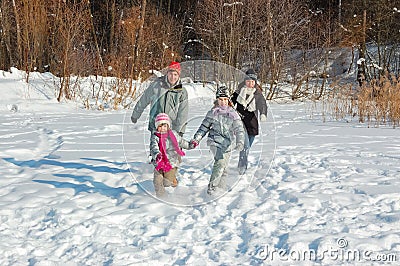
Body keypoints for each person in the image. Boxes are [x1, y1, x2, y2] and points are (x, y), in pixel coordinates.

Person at [190, 86, 245, 195]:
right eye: (220, 99)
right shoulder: (212, 112)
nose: (223, 102)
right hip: (214, 141)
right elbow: (203, 127)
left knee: (224, 168)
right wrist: (197, 139)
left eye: (225, 99)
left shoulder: (233, 114)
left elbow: (239, 129)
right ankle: (212, 189)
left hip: (228, 143)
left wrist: (240, 142)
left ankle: (221, 190)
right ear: (217, 100)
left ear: (228, 100)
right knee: (219, 162)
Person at [130, 61, 188, 136]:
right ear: (167, 73)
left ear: (179, 75)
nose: (173, 77)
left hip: (172, 127)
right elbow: (144, 100)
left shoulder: (182, 91)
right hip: (156, 125)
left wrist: (180, 130)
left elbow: (183, 112)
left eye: (175, 74)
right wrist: (135, 115)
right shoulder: (156, 85)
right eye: (170, 74)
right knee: (155, 146)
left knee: (171, 147)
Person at [231, 68, 268, 175]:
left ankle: (241, 161)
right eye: (248, 81)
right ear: (244, 81)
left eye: (252, 81)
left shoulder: (258, 94)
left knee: (247, 146)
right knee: (245, 145)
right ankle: (242, 167)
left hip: (252, 122)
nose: (250, 83)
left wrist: (263, 114)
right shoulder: (238, 91)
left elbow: (263, 105)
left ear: (255, 82)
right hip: (240, 121)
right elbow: (230, 102)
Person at [150, 113, 190, 197]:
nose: (162, 129)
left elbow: (182, 142)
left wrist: (190, 145)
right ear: (157, 127)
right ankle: (162, 197)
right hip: (159, 162)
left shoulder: (174, 135)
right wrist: (157, 155)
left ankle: (173, 179)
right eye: (160, 126)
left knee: (167, 182)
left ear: (168, 126)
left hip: (172, 162)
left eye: (165, 126)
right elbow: (153, 147)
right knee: (157, 181)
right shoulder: (155, 137)